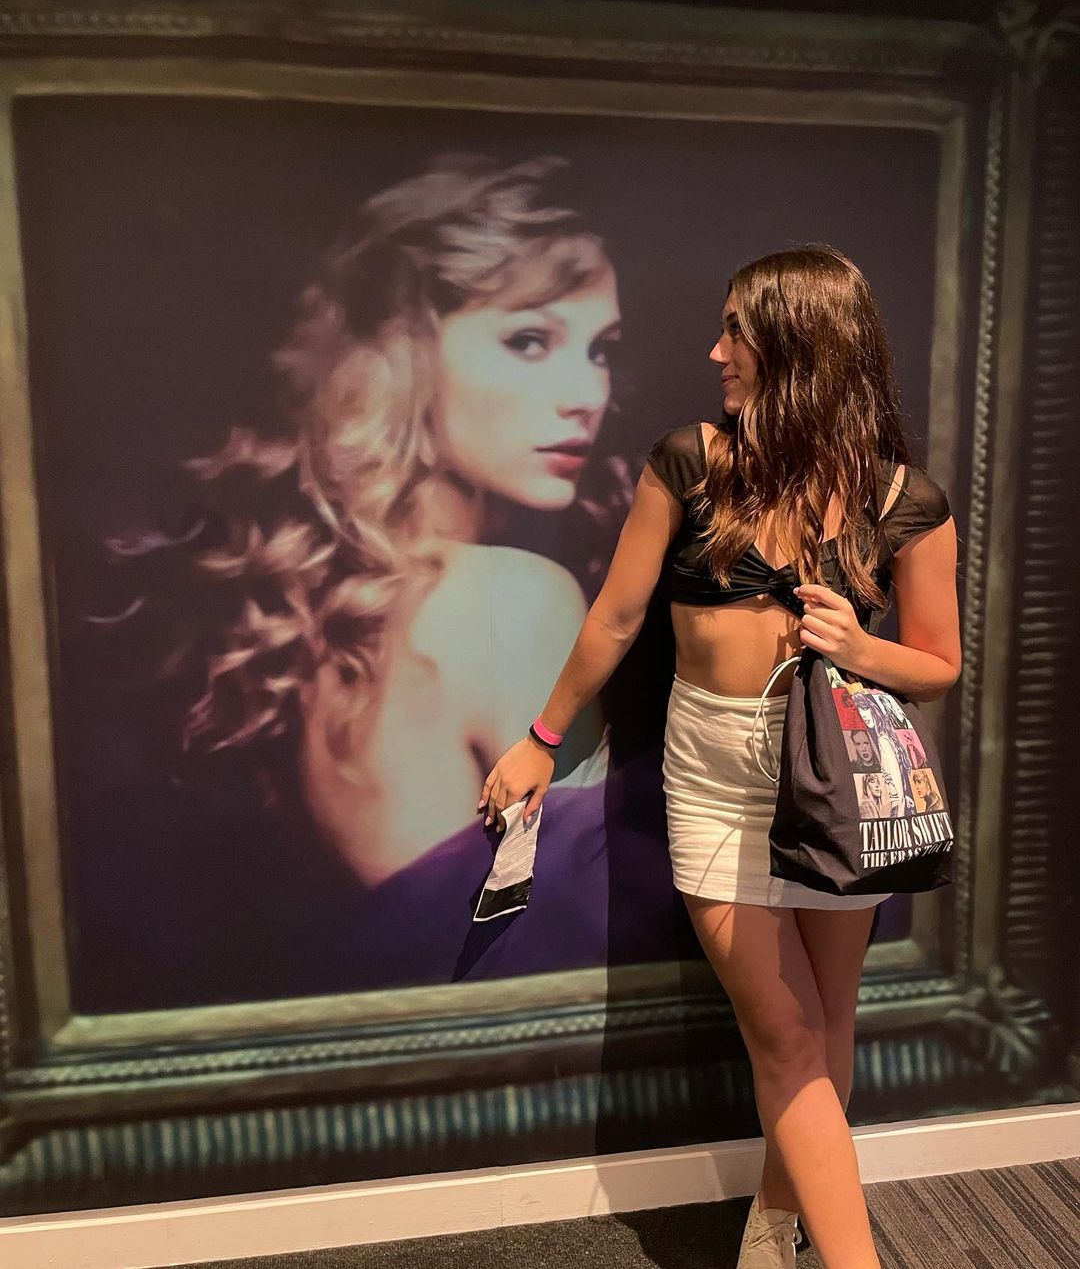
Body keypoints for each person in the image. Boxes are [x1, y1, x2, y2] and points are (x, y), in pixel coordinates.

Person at [477, 244, 961, 1268]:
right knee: (786, 1035)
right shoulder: (690, 462)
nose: (715, 351)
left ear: (798, 343)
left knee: (827, 1025)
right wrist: (543, 738)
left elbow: (938, 665)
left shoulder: (906, 499)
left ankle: (776, 1232)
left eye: (736, 329)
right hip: (715, 775)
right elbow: (616, 618)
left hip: (840, 778)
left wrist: (859, 646)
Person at [98, 153, 629, 887]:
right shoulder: (516, 599)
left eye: (601, 350)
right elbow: (586, 923)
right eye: (529, 340)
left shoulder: (325, 623)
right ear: (401, 354)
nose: (587, 394)